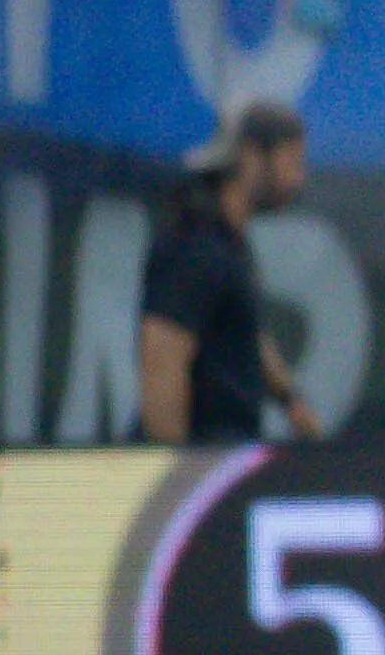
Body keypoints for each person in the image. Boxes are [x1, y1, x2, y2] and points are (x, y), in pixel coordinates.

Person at [138, 102, 322, 445]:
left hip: (228, 452)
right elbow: (163, 357)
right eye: (291, 163)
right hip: (201, 458)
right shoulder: (194, 248)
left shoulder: (231, 247)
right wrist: (176, 467)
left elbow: (248, 333)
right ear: (251, 157)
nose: (299, 179)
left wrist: (289, 399)